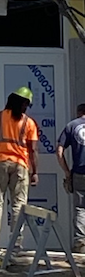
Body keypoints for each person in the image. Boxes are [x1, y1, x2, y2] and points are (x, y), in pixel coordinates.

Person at [0, 86, 39, 251]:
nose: (26, 108)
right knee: (19, 206)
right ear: (24, 104)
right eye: (26, 104)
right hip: (20, 166)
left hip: (1, 163)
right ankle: (16, 243)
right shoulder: (29, 123)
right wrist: (34, 172)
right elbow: (33, 149)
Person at [56, 103, 85, 254]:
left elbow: (59, 151)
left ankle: (80, 241)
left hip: (79, 172)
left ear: (79, 112)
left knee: (80, 208)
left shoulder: (71, 126)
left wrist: (67, 172)